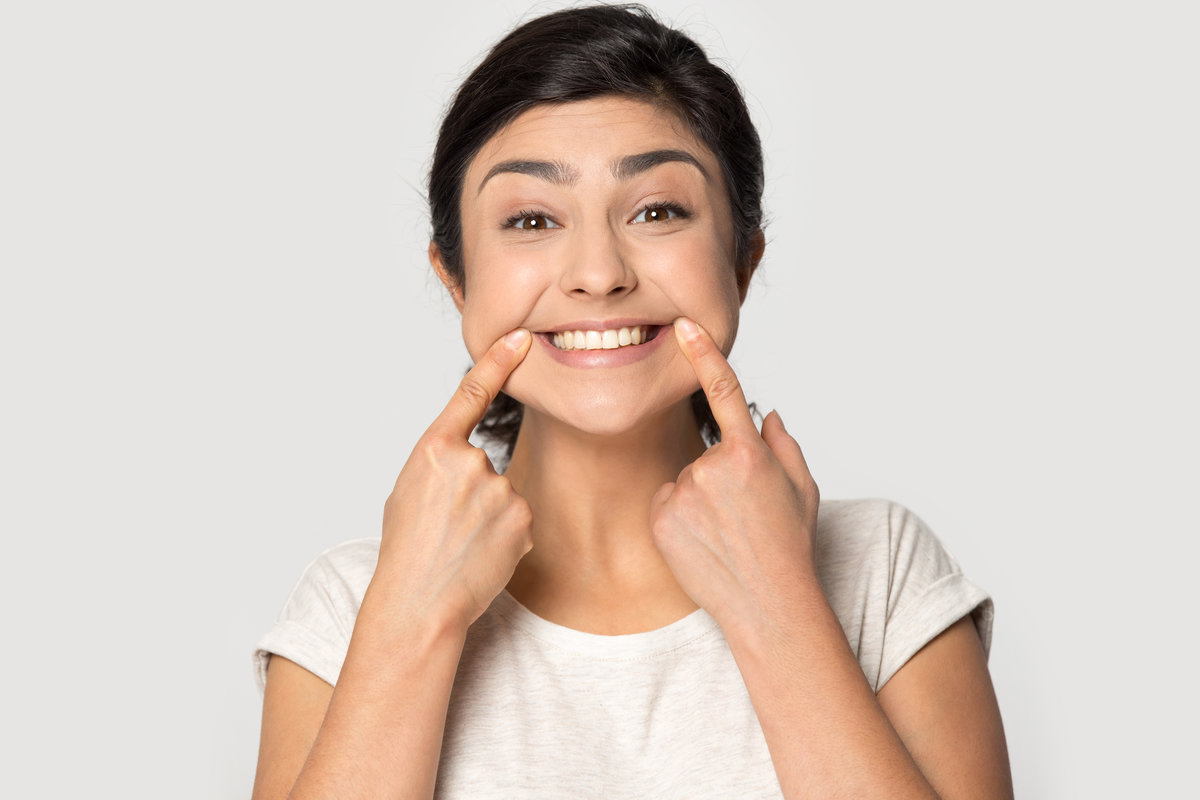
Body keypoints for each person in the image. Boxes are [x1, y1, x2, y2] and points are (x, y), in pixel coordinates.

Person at [251, 5, 1013, 798]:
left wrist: (777, 605)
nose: (598, 272)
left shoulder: (880, 570)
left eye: (656, 211)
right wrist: (411, 621)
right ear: (456, 279)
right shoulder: (352, 606)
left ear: (741, 262)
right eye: (532, 219)